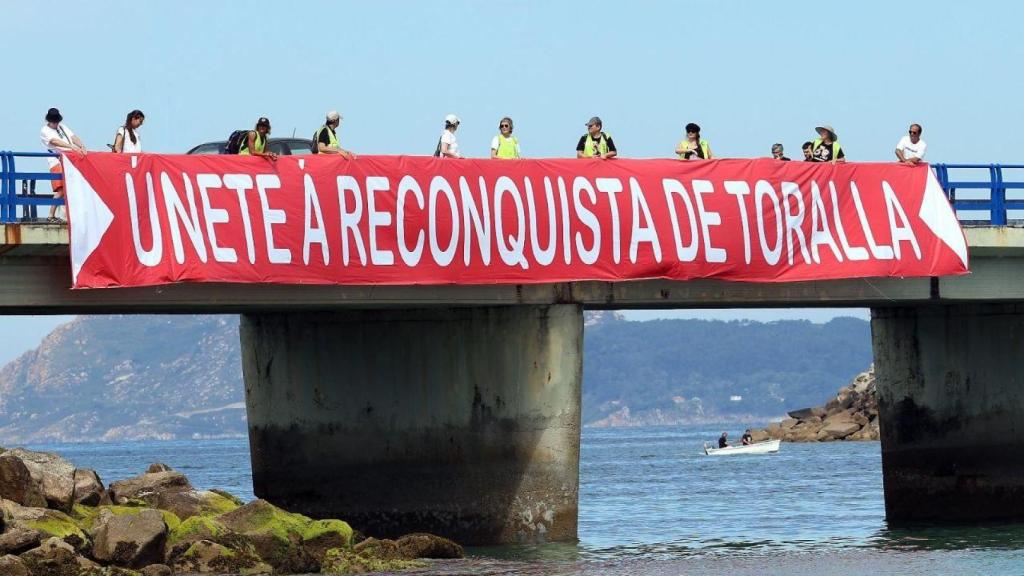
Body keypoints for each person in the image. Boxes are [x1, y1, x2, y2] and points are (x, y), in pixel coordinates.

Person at [40, 107, 85, 223]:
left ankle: (65, 216)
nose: (56, 123)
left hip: (69, 160)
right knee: (61, 189)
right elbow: (54, 141)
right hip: (56, 161)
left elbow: (73, 137)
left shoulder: (62, 127)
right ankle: (51, 215)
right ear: (49, 120)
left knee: (69, 188)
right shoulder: (45, 130)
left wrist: (81, 145)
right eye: (54, 121)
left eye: (57, 121)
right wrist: (70, 147)